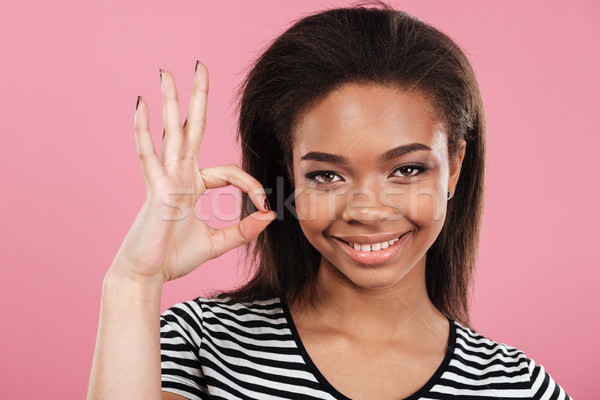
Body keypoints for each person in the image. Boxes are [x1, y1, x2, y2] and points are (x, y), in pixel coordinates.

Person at [86, 1, 573, 399]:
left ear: (456, 168)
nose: (366, 210)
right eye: (326, 174)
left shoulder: (517, 386)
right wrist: (133, 282)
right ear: (288, 178)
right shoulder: (198, 347)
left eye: (406, 169)